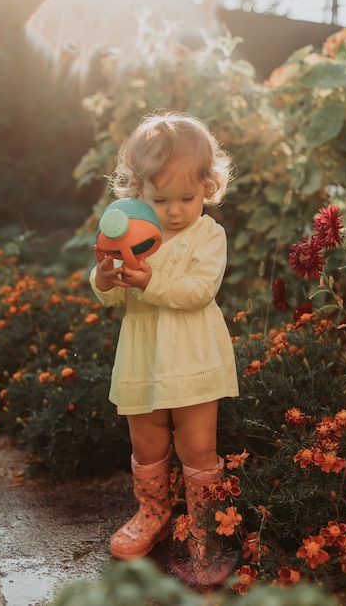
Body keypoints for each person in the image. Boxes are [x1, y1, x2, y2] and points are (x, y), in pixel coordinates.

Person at [89, 110, 239, 585]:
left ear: (208, 188)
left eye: (187, 197)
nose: (175, 211)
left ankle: (202, 527)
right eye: (160, 199)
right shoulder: (130, 235)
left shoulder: (207, 234)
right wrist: (105, 276)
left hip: (192, 362)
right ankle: (153, 514)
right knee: (147, 441)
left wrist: (151, 281)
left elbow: (198, 291)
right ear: (137, 192)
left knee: (197, 447)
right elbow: (111, 295)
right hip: (142, 359)